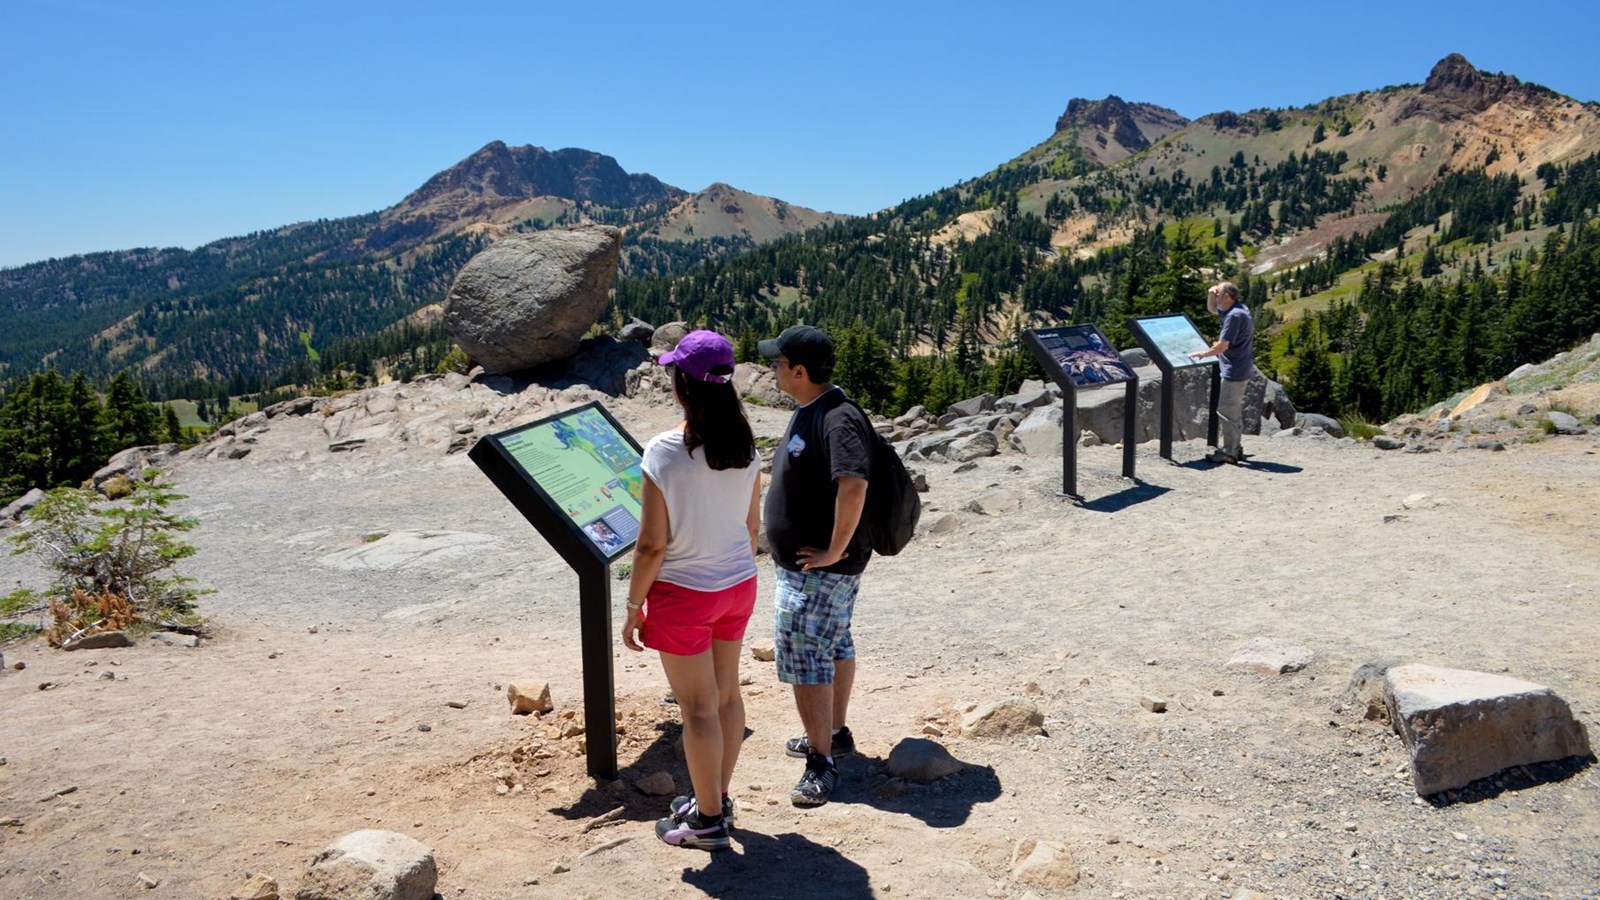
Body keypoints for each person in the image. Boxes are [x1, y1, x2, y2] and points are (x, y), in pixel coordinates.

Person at [621, 330, 761, 852]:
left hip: (684, 593)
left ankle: (705, 822)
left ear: (682, 383)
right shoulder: (745, 445)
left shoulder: (665, 450)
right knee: (727, 696)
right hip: (737, 584)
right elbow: (751, 528)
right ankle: (716, 798)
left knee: (697, 711)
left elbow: (652, 545)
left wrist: (635, 606)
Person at [758, 324, 874, 808]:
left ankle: (821, 764)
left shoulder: (836, 417)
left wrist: (833, 549)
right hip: (814, 568)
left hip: (819, 570)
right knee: (834, 643)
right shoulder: (816, 408)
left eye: (778, 363)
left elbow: (854, 484)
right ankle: (833, 733)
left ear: (800, 370)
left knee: (806, 654)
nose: (772, 369)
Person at [1189, 281, 1256, 464]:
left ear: (1227, 297)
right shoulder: (1237, 309)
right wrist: (1211, 294)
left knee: (1227, 411)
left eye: (1218, 294)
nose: (1215, 296)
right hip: (1240, 366)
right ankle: (1235, 447)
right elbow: (1212, 309)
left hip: (1235, 370)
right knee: (1233, 410)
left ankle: (1229, 451)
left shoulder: (1234, 316)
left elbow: (1223, 345)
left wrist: (1203, 354)